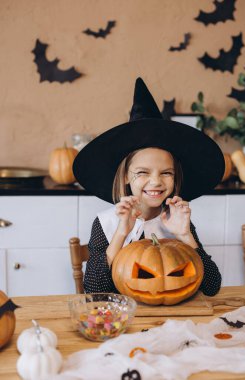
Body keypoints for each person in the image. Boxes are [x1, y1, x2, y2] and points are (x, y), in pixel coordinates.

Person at [73, 77, 225, 297]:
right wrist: (121, 232)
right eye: (143, 172)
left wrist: (185, 235)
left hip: (171, 321)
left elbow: (212, 286)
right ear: (125, 176)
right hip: (125, 322)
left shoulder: (177, 221)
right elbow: (94, 291)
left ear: (175, 177)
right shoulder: (106, 223)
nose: (156, 182)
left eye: (166, 173)